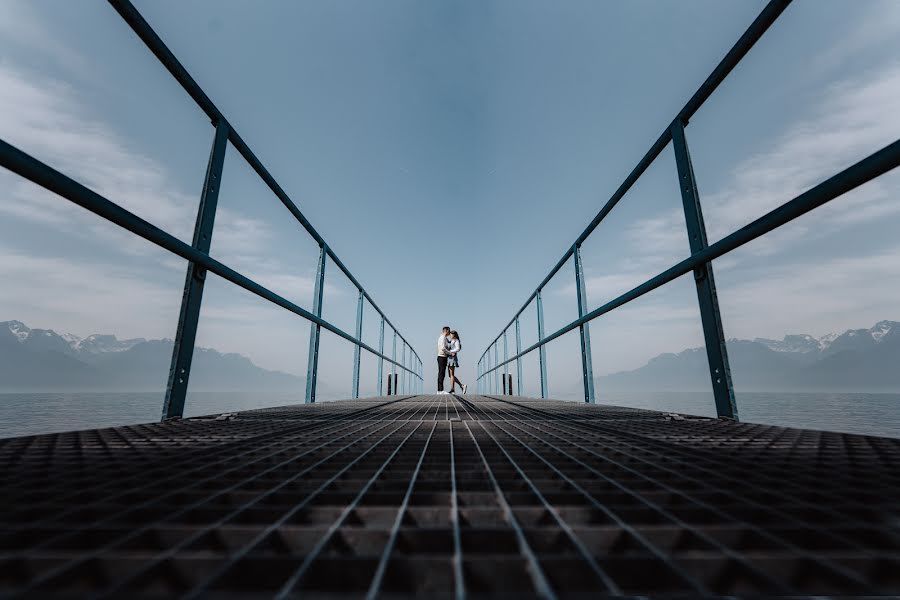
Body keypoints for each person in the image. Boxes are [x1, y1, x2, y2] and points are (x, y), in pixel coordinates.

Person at [436, 326, 451, 394]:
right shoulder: (442, 338)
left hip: (441, 357)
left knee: (441, 373)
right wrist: (450, 353)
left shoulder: (443, 337)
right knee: (441, 373)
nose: (449, 332)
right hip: (442, 357)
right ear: (446, 331)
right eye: (449, 331)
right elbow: (443, 348)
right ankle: (440, 390)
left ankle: (440, 390)